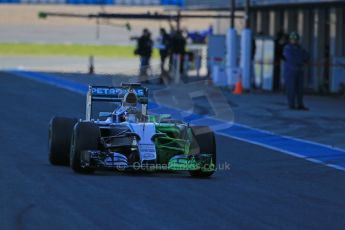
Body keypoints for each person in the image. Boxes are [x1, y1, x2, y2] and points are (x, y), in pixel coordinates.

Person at [283, 32, 309, 110]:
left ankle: (300, 104)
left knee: (300, 89)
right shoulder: (287, 48)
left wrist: (303, 60)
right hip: (291, 71)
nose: (294, 41)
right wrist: (301, 61)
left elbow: (307, 56)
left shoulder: (300, 48)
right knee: (291, 88)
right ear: (290, 40)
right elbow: (291, 59)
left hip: (299, 71)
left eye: (296, 39)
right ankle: (291, 105)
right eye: (293, 39)